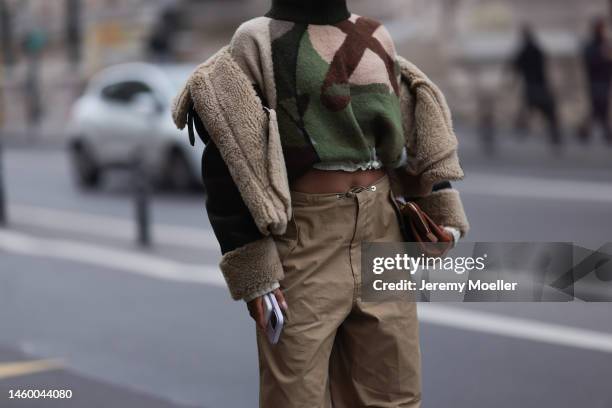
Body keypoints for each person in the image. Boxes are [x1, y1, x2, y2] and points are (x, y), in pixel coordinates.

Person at [173, 0, 469, 406]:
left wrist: (438, 205)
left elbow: (412, 129)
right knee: (295, 397)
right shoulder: (257, 39)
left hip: (381, 229)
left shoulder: (375, 34)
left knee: (394, 393)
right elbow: (230, 157)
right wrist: (254, 268)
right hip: (304, 238)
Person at [510, 24, 561, 146]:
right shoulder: (538, 50)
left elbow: (515, 66)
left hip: (531, 86)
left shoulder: (523, 51)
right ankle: (555, 136)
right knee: (549, 112)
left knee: (527, 110)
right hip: (541, 86)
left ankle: (520, 130)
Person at [579, 18, 612, 144]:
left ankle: (590, 131)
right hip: (596, 81)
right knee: (598, 108)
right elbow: (590, 62)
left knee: (600, 109)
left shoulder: (605, 44)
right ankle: (598, 132)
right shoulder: (593, 45)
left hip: (603, 80)